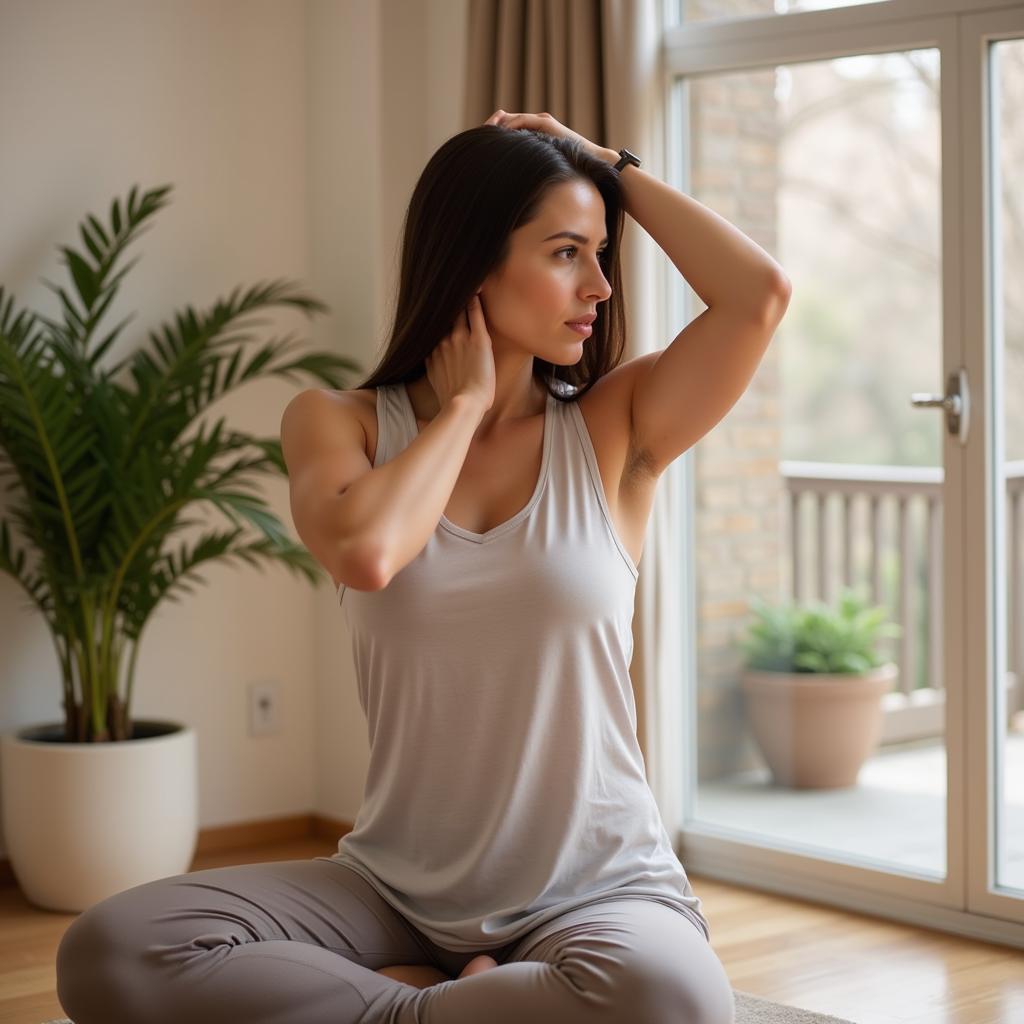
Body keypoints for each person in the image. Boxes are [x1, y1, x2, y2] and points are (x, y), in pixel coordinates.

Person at [56, 109, 789, 1024]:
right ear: (475, 260)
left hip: (598, 889)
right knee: (112, 952)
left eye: (601, 253)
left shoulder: (616, 426)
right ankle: (445, 1005)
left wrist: (599, 162)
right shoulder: (341, 424)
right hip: (391, 891)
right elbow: (368, 552)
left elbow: (758, 294)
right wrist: (461, 408)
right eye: (567, 251)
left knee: (672, 997)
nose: (599, 285)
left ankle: (411, 1007)